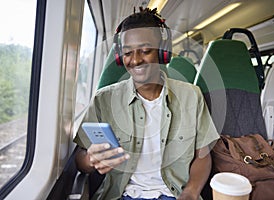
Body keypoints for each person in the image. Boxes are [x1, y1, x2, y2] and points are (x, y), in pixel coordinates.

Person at [74, 7, 219, 200]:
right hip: (123, 195)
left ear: (163, 52)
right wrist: (90, 160)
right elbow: (80, 159)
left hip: (176, 195)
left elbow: (203, 155)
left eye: (145, 50)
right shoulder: (103, 100)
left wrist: (191, 192)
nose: (135, 60)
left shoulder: (192, 96)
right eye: (127, 53)